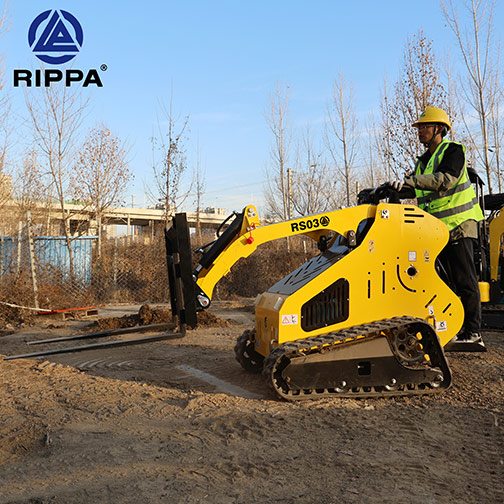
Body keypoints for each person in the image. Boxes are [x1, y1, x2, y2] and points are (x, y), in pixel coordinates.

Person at [389, 106, 485, 349]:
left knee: (465, 280)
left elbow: (445, 180)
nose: (420, 131)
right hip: (436, 231)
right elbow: (416, 188)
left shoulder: (453, 151)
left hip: (460, 225)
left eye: (425, 126)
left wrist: (410, 181)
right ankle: (453, 327)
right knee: (444, 283)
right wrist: (393, 188)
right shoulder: (423, 162)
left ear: (439, 129)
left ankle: (473, 332)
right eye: (419, 127)